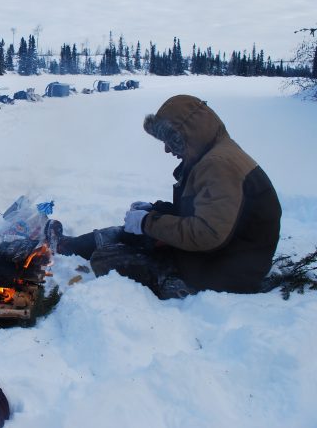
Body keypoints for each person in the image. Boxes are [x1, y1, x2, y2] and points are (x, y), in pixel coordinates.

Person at [46, 94, 281, 298]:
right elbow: (204, 213)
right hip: (222, 256)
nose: (167, 149)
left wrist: (149, 222)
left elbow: (208, 234)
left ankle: (174, 283)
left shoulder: (218, 165)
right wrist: (153, 210)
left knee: (107, 259)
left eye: (170, 141)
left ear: (187, 135)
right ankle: (69, 246)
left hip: (226, 271)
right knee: (131, 233)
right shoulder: (213, 155)